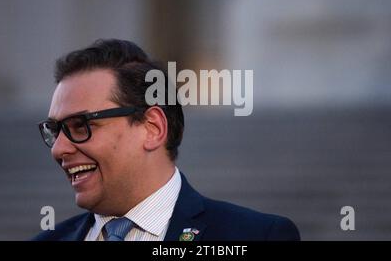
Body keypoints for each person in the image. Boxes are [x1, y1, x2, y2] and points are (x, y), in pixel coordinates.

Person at [33, 39, 300, 241]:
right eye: (55, 130)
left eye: (80, 125)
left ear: (152, 128)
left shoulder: (257, 236)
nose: (59, 148)